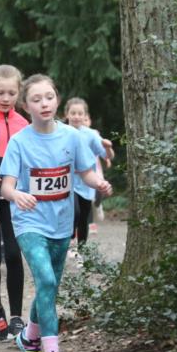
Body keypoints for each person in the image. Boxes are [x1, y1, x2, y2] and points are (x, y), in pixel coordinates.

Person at [0, 75, 112, 352]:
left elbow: (85, 172)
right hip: (29, 222)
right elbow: (7, 186)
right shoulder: (20, 142)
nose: (44, 103)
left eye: (49, 97)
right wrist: (16, 194)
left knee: (49, 287)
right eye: (36, 99)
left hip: (62, 223)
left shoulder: (72, 137)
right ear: (26, 106)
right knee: (46, 279)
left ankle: (29, 337)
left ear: (57, 100)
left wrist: (99, 183)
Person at [0, 65, 30, 340]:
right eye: (0, 92)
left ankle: (16, 317)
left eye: (11, 93)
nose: (5, 98)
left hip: (13, 196)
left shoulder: (23, 123)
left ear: (19, 93)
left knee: (14, 254)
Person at [64, 98, 110, 252]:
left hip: (86, 182)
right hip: (67, 182)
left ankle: (82, 252)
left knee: (83, 218)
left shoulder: (91, 134)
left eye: (80, 113)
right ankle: (70, 240)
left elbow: (106, 154)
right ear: (67, 114)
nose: (76, 116)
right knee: (74, 212)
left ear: (85, 116)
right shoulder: (60, 132)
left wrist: (108, 148)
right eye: (73, 113)